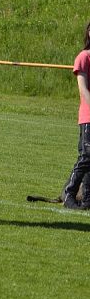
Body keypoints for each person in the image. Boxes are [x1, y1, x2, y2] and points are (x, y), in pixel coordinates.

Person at [60, 21, 90, 210]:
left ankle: (87, 199)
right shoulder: (84, 57)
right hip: (88, 116)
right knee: (87, 156)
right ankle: (69, 193)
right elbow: (83, 89)